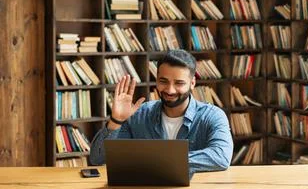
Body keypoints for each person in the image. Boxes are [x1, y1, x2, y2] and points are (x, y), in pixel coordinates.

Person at [89, 49, 233, 176]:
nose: (170, 90)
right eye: (163, 81)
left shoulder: (212, 115)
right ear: (156, 80)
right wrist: (116, 121)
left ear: (192, 83)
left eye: (179, 83)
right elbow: (97, 159)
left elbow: (220, 156)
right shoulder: (139, 114)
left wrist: (158, 162)